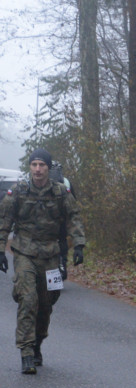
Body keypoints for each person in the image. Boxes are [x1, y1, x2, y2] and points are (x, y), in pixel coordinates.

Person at [0, 148, 86, 374]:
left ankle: (37, 343)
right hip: (25, 252)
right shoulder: (18, 191)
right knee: (28, 299)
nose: (38, 169)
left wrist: (78, 245)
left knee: (47, 302)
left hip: (51, 254)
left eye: (42, 165)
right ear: (30, 168)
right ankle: (26, 352)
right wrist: (1, 250)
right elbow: (4, 220)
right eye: (34, 165)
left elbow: (73, 217)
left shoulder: (60, 192)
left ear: (48, 168)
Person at [49, 161, 75, 281]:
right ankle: (62, 263)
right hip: (62, 219)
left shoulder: (45, 181)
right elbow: (73, 201)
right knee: (62, 241)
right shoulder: (66, 182)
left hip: (48, 219)